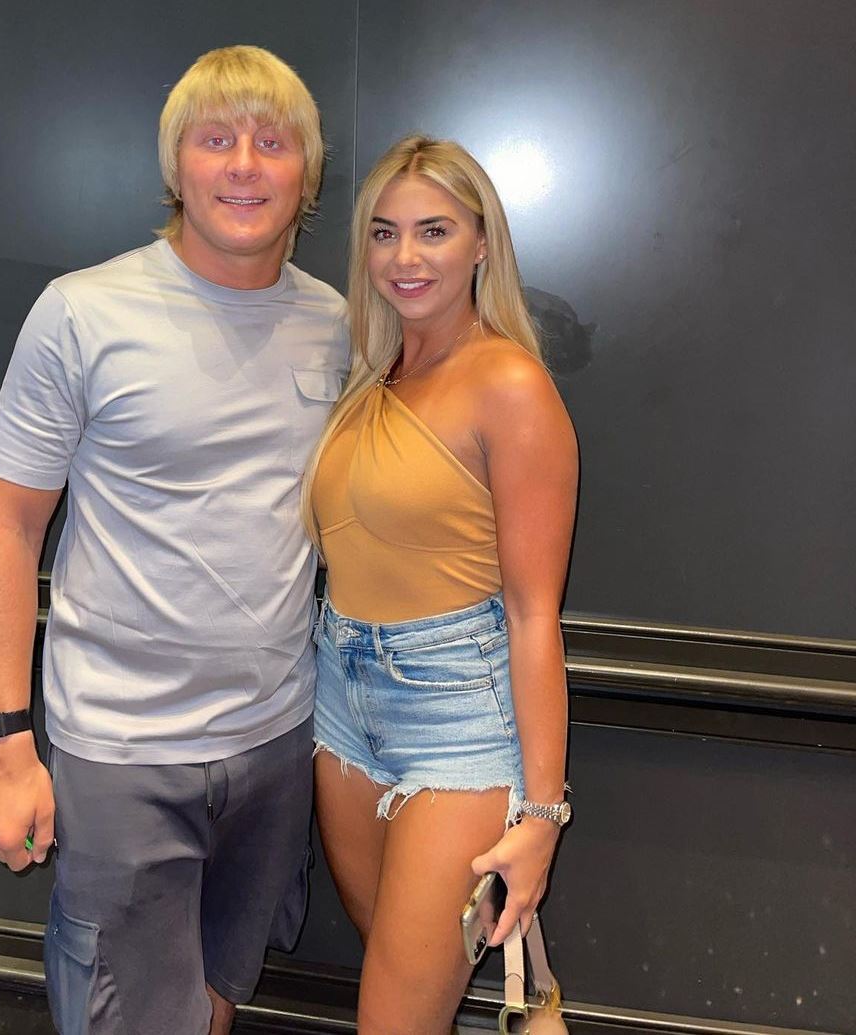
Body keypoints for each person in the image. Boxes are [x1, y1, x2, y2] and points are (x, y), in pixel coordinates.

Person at [0, 46, 348, 1035]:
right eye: (215, 139)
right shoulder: (83, 312)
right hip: (123, 750)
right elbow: (6, 527)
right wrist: (3, 747)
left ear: (307, 173)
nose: (244, 165)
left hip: (278, 737)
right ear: (175, 165)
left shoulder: (337, 325)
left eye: (272, 143)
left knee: (218, 993)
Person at [301, 136, 577, 1034]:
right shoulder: (369, 374)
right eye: (384, 232)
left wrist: (541, 816)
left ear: (482, 242)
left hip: (458, 712)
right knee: (410, 990)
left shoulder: (509, 384)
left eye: (434, 230)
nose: (405, 256)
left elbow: (533, 615)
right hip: (341, 703)